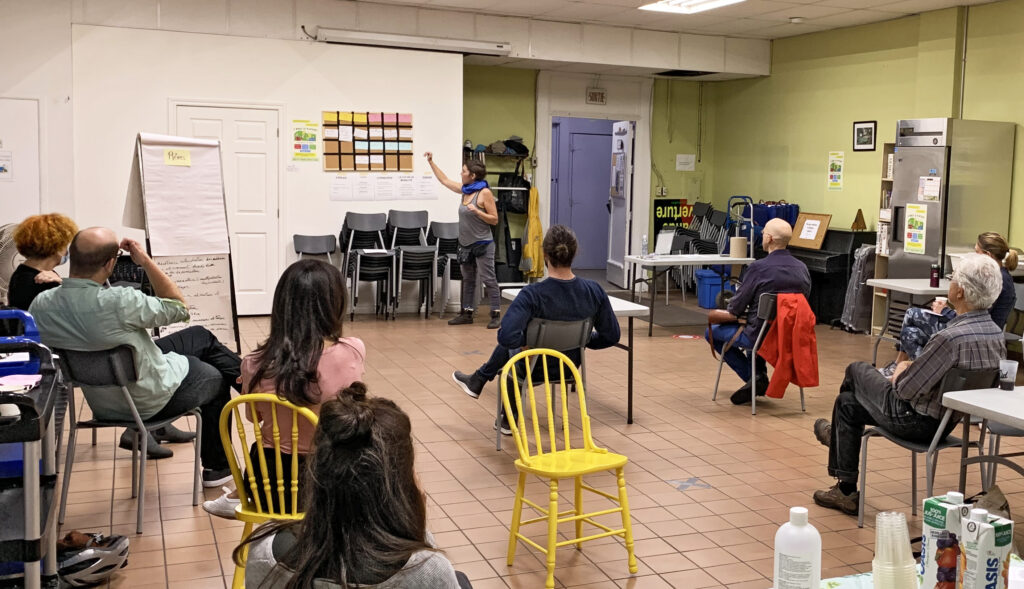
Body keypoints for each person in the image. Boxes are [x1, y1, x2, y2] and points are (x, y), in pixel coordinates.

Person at [30, 227, 240, 480]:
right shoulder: (121, 301)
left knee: (200, 337)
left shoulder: (41, 304)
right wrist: (144, 260)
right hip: (147, 400)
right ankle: (217, 467)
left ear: (71, 258)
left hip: (104, 402)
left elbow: (77, 304)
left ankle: (257, 388)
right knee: (216, 377)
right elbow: (178, 307)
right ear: (110, 263)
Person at [811, 253, 1006, 515]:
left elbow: (904, 390)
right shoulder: (996, 335)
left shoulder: (949, 339)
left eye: (952, 279)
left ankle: (835, 438)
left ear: (959, 291)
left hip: (913, 420)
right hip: (948, 422)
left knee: (856, 370)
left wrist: (902, 368)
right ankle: (845, 490)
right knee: (847, 403)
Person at [239, 383, 471, 589]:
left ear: (317, 474)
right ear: (400, 484)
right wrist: (417, 520)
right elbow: (420, 562)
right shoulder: (425, 572)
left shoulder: (265, 551)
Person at [203, 259, 366, 519]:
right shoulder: (353, 350)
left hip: (271, 485)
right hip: (335, 482)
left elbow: (252, 418)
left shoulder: (254, 363)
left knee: (264, 444)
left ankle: (240, 495)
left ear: (282, 306)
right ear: (336, 304)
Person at [451, 225, 620, 435]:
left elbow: (506, 335)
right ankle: (482, 385)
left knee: (512, 353)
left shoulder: (532, 294)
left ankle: (502, 408)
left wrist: (526, 341)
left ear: (545, 254)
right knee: (517, 346)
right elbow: (612, 335)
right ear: (574, 254)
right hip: (568, 366)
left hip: (533, 367)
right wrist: (583, 339)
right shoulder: (594, 291)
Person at [705, 218, 811, 405]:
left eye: (763, 234)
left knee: (711, 333)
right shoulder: (802, 268)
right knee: (755, 326)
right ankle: (757, 375)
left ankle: (754, 378)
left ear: (769, 238)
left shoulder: (758, 268)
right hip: (789, 336)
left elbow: (735, 308)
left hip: (759, 336)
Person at [882, 232, 1019, 373]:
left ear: (988, 255)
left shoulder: (995, 280)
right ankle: (912, 369)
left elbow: (976, 315)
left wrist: (945, 311)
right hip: (975, 327)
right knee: (911, 333)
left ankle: (914, 369)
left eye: (976, 252)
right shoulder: (1000, 276)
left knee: (912, 317)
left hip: (974, 332)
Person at [424, 152, 501, 329]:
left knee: (489, 279)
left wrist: (478, 212)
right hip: (466, 244)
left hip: (483, 244)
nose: (460, 173)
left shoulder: (485, 193)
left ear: (472, 176)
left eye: (463, 171)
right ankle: (466, 313)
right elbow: (444, 181)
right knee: (468, 279)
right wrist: (431, 162)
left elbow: (494, 219)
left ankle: (495, 314)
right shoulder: (465, 190)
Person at [7, 213, 78, 311]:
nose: (67, 251)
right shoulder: (44, 282)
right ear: (57, 247)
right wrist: (62, 285)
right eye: (65, 245)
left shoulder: (21, 273)